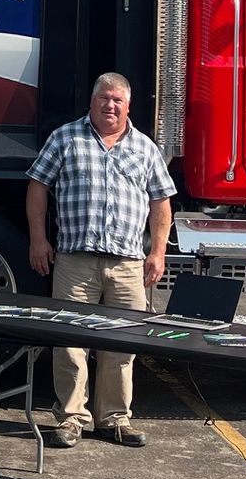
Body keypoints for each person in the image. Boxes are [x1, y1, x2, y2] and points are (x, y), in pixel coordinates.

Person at [25, 72, 175, 449]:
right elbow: (38, 187)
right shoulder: (64, 138)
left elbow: (161, 204)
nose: (110, 105)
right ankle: (72, 418)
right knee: (70, 344)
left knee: (122, 344)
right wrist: (39, 239)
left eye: (117, 100)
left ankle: (114, 420)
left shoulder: (145, 148)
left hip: (127, 264)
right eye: (103, 98)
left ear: (128, 106)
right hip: (75, 260)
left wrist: (157, 252)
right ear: (91, 102)